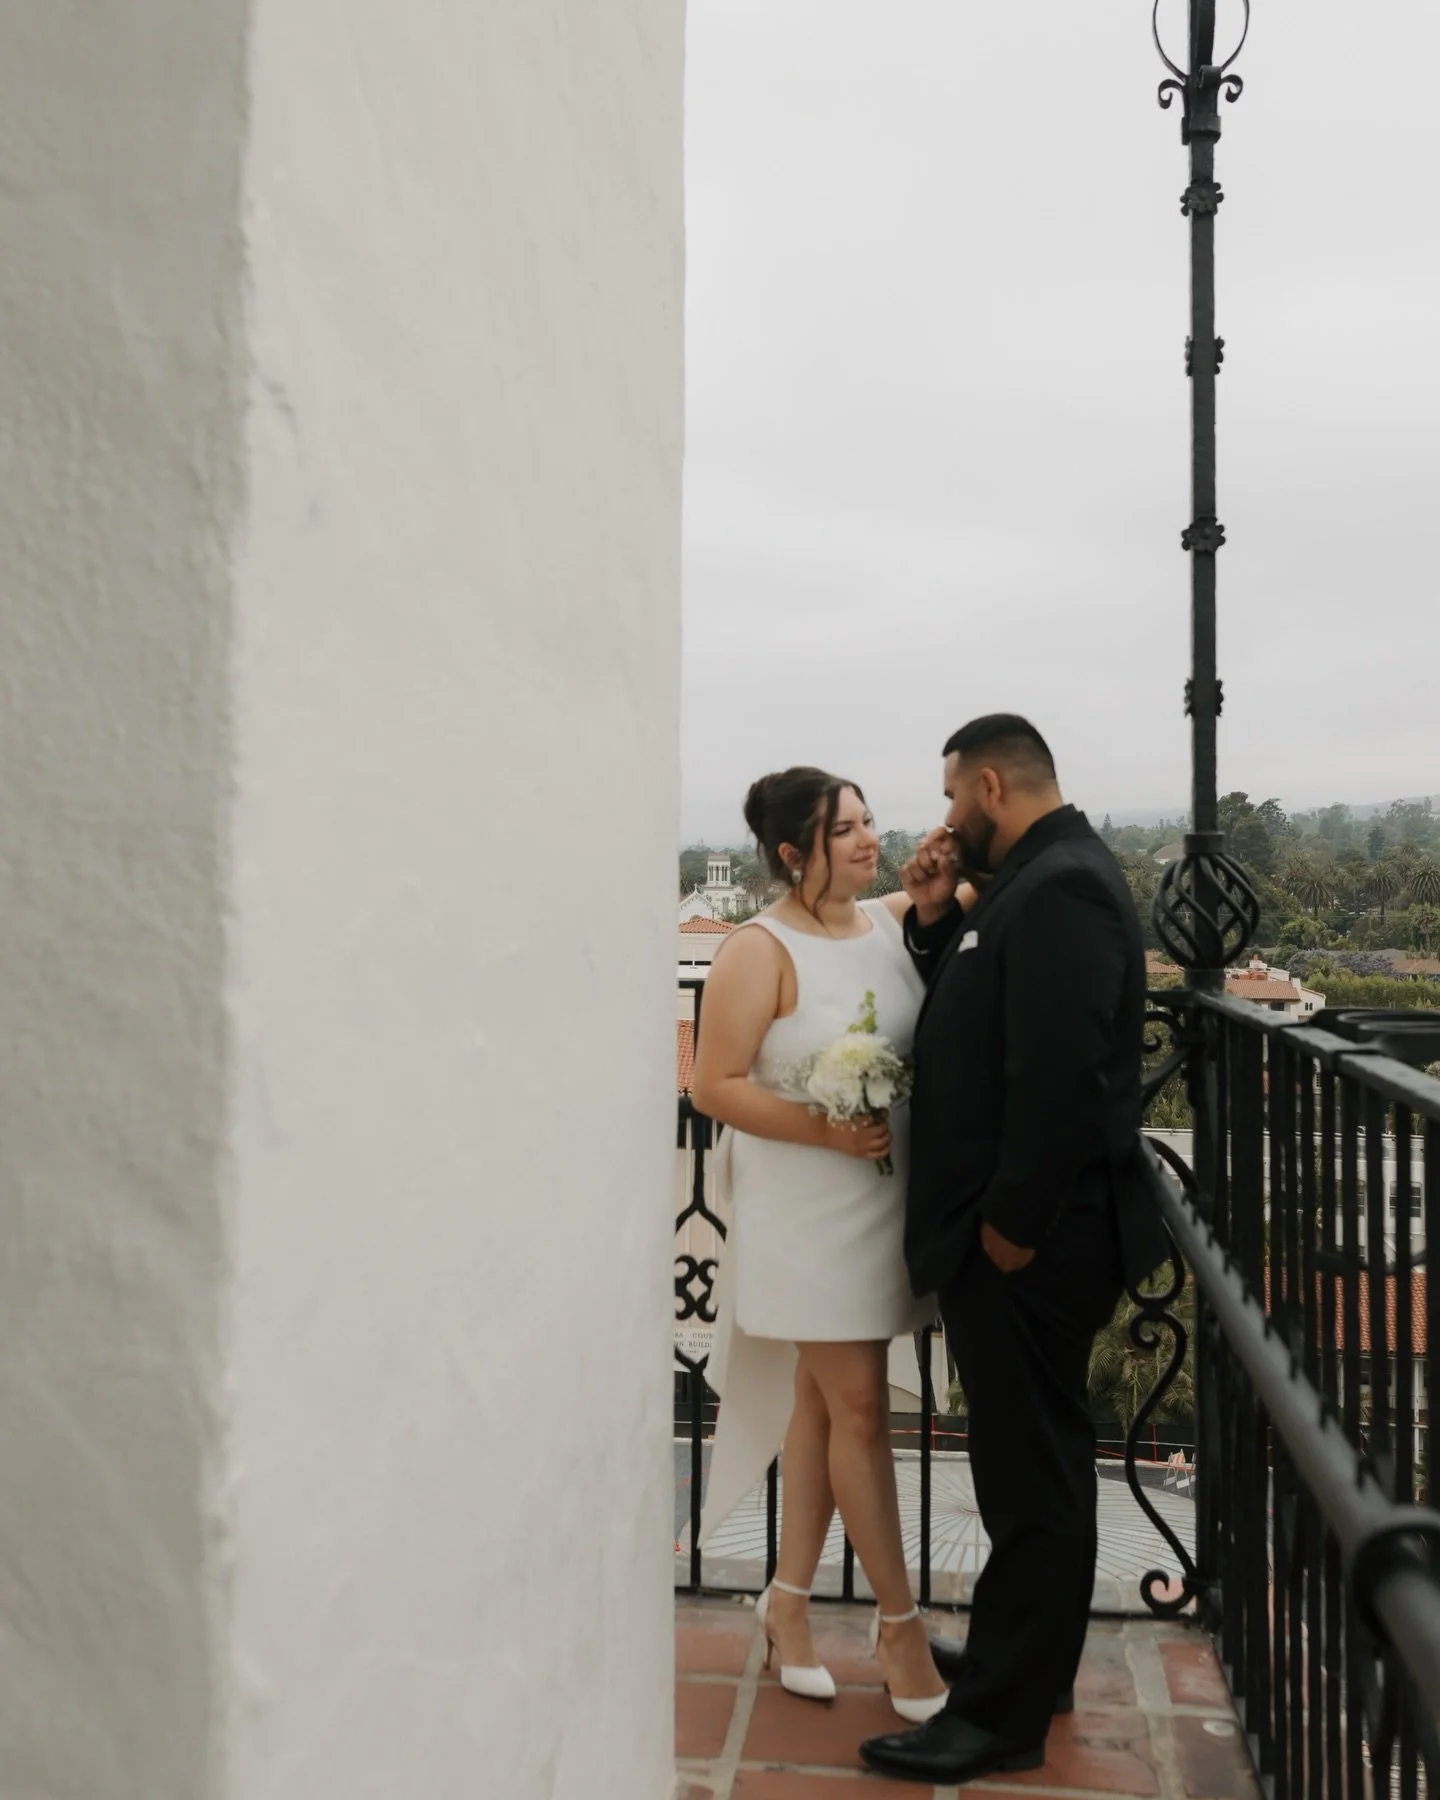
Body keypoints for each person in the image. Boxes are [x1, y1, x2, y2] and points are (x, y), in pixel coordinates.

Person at [859, 715, 1168, 1787]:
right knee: (1030, 1469)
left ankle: (998, 1715)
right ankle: (1028, 1666)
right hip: (1018, 1240)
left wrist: (1012, 1227)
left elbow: (1061, 1074)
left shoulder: (1066, 886)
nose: (945, 822)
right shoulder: (1033, 884)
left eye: (952, 799)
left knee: (1030, 1477)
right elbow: (989, 1016)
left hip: (1034, 1246)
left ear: (990, 785)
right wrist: (940, 922)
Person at [692, 768, 957, 1721]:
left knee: (819, 1404)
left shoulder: (888, 923)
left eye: (867, 821)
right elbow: (713, 1086)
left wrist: (936, 873)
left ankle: (789, 1605)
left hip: (881, 1205)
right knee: (859, 1409)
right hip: (804, 1208)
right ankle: (898, 1625)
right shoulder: (754, 951)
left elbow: (960, 888)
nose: (865, 839)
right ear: (790, 854)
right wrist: (826, 1130)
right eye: (841, 830)